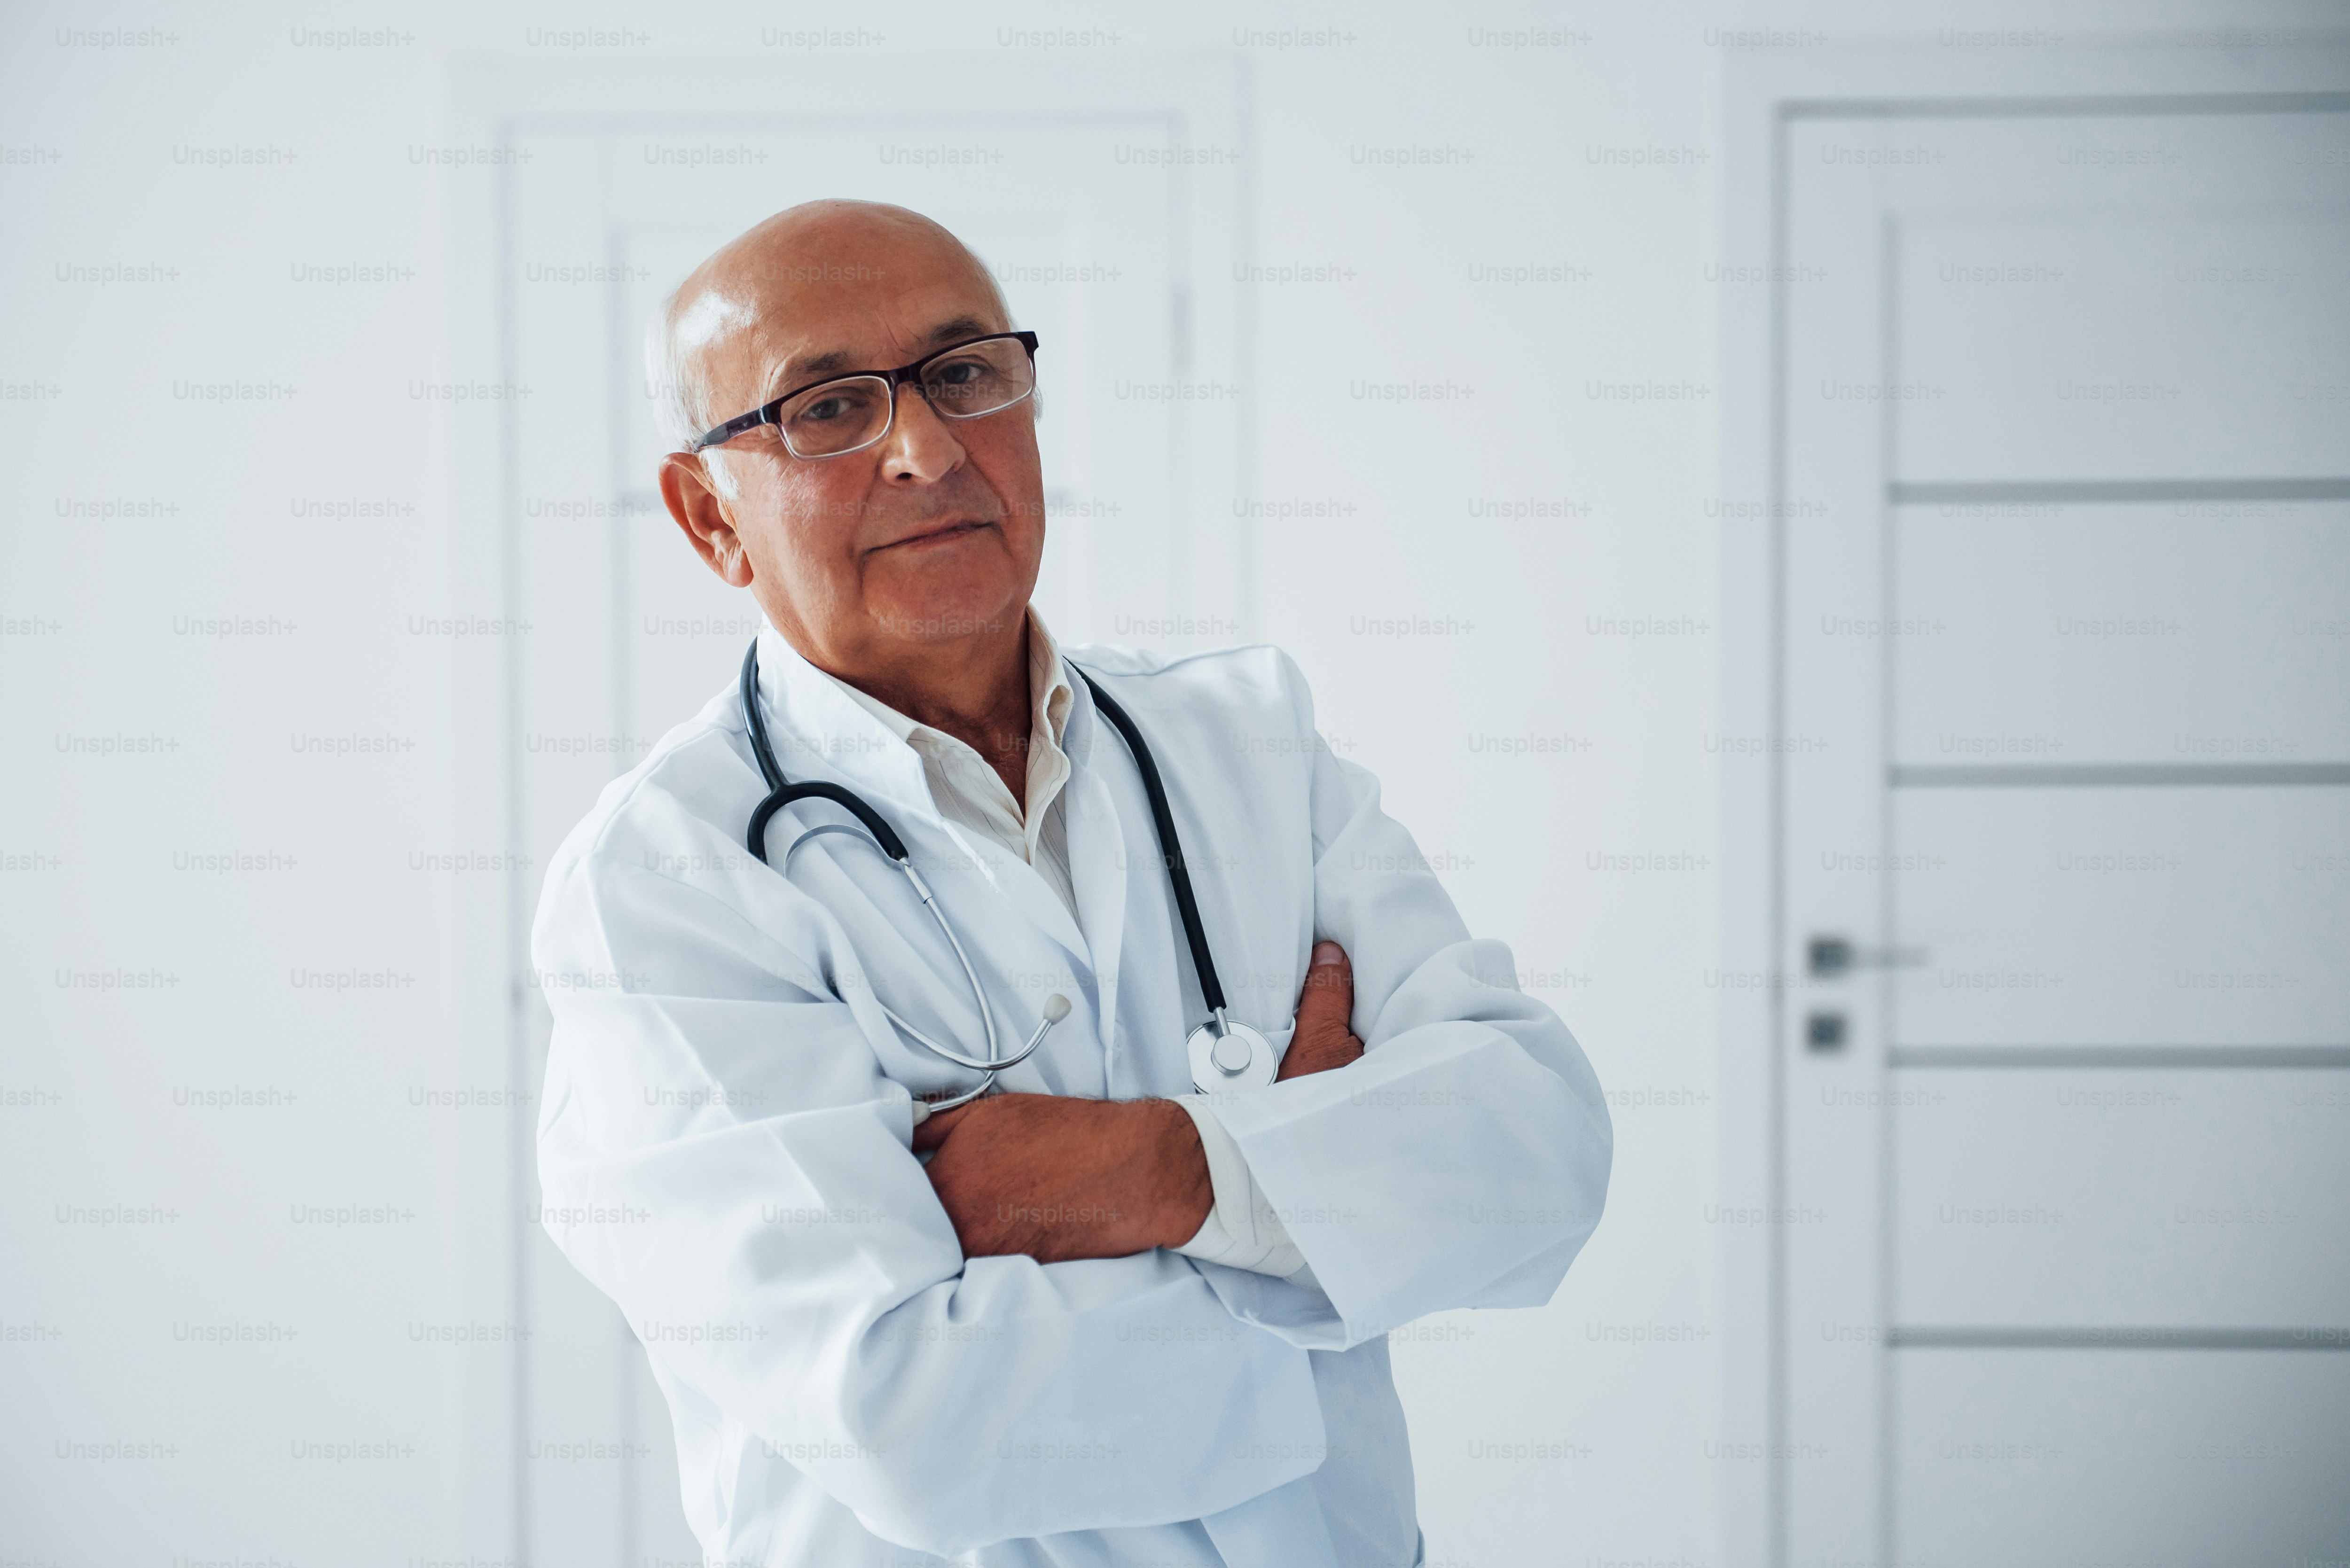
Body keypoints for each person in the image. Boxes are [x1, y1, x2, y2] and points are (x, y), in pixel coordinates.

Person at [532, 199, 1612, 1568]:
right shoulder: (663, 883)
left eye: (966, 373)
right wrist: (1323, 1222)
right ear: (709, 517)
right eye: (826, 409)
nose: (925, 448)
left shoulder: (1248, 738)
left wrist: (1148, 1174)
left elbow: (1540, 1153)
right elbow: (909, 1421)